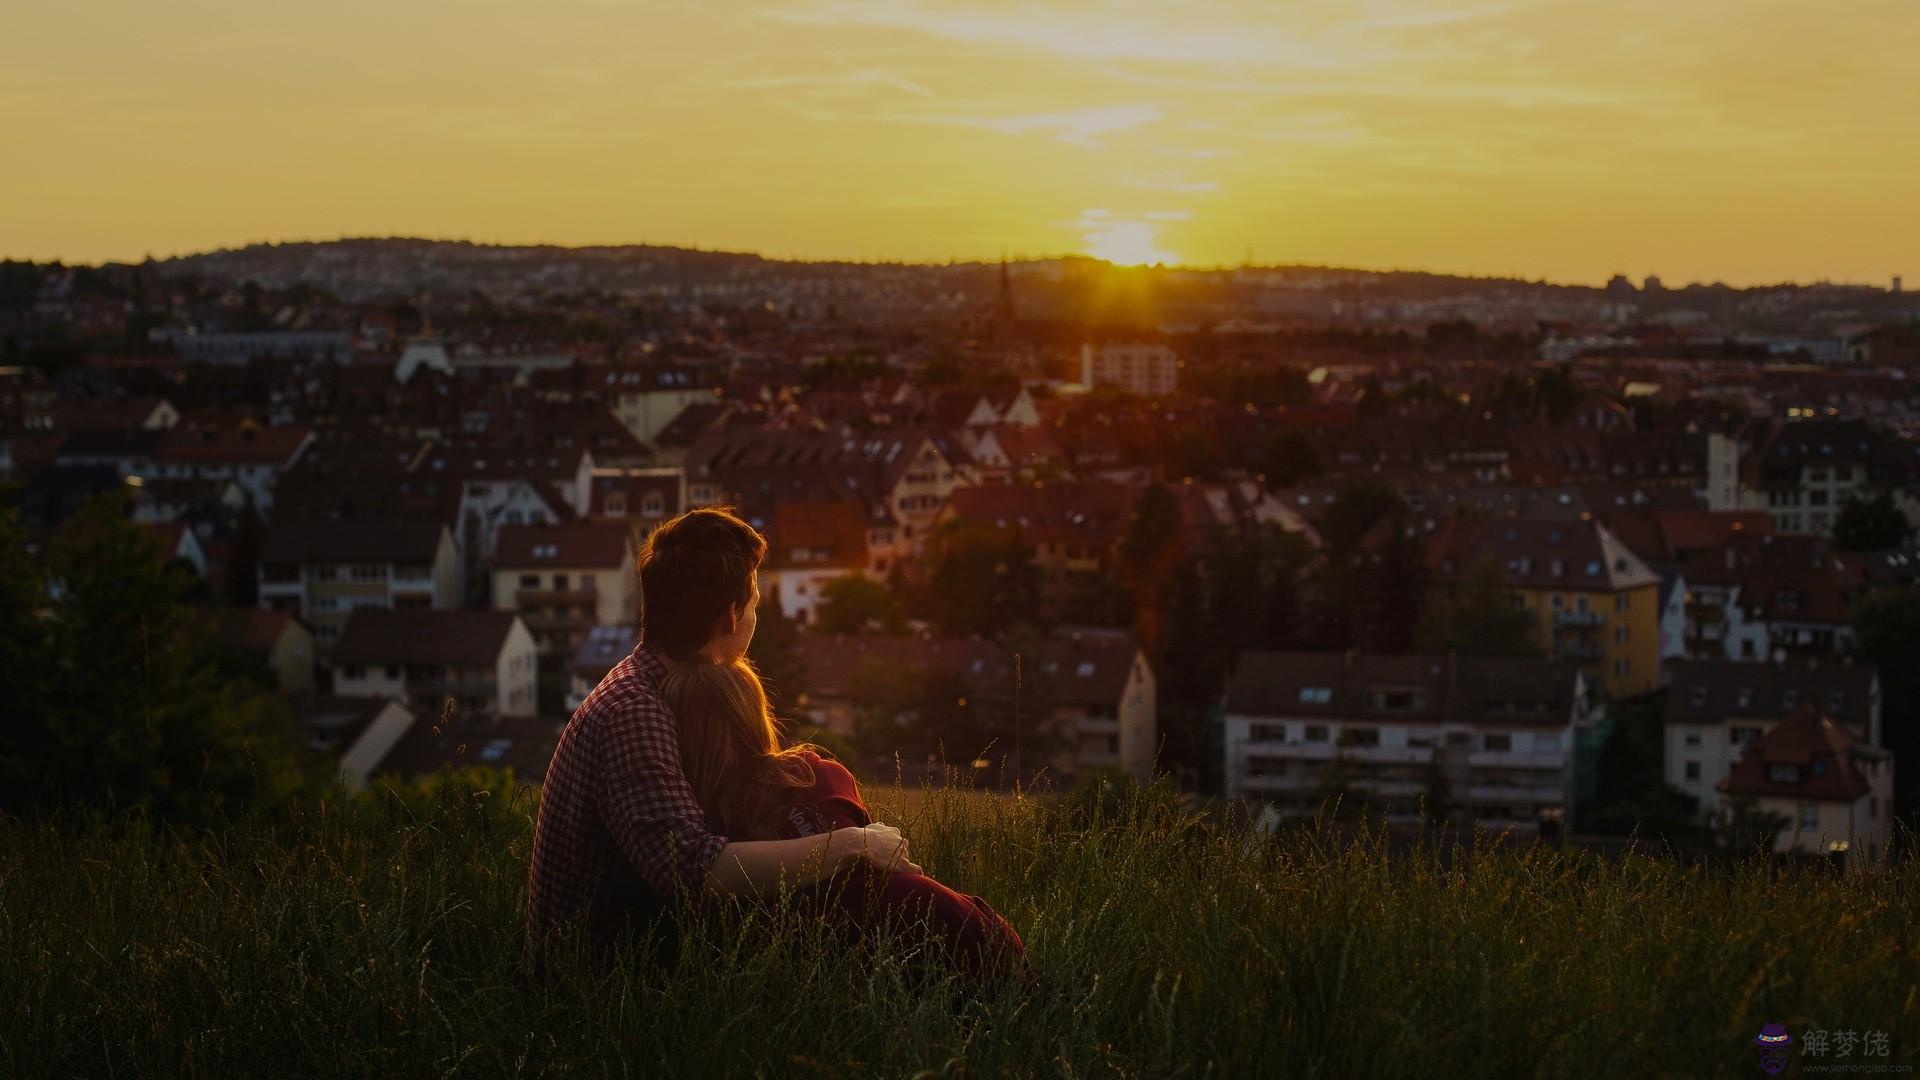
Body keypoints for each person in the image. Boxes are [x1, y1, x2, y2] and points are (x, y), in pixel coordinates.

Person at [525, 508, 918, 974]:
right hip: (600, 988)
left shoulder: (655, 686)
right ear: (731, 617)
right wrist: (851, 845)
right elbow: (692, 869)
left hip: (633, 962)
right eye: (754, 605)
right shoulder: (635, 712)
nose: (755, 617)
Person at [659, 655, 1027, 979]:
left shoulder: (700, 829)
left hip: (943, 935)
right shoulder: (816, 774)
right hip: (950, 928)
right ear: (755, 717)